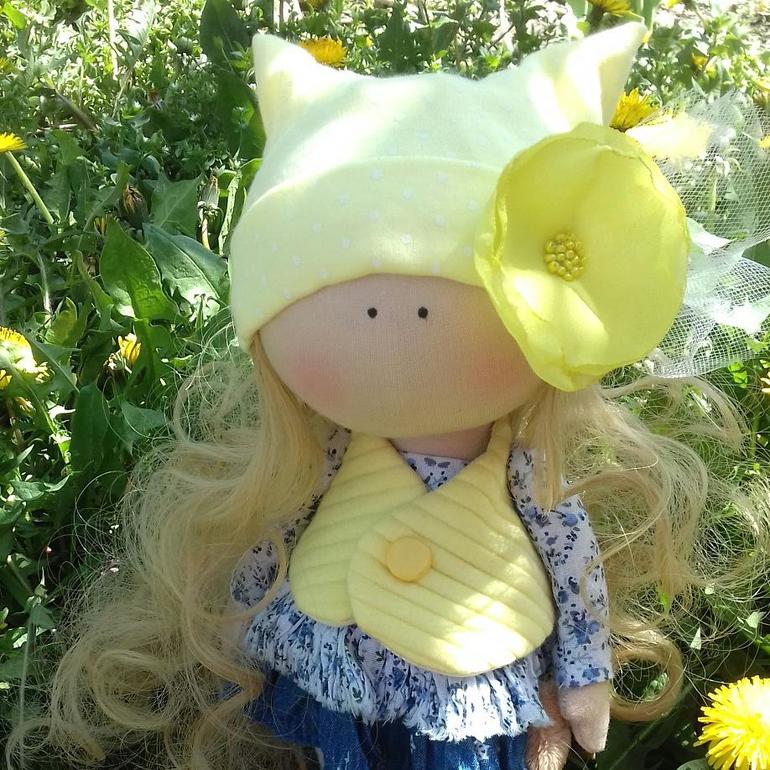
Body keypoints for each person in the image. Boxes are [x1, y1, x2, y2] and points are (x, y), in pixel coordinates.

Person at [11, 20, 770, 770]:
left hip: (475, 681)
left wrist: (578, 679)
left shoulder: (529, 474)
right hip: (326, 674)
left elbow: (573, 570)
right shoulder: (320, 456)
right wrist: (236, 622)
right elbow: (278, 531)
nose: (397, 326)